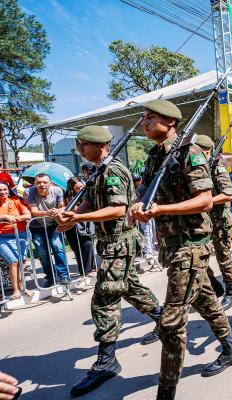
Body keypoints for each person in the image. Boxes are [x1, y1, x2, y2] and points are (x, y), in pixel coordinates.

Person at [130, 99, 232, 400]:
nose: (144, 122)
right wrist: (137, 204)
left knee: (170, 322)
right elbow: (144, 191)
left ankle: (166, 390)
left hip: (191, 245)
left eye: (150, 117)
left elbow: (205, 199)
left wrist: (159, 209)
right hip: (173, 245)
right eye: (144, 117)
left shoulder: (188, 153)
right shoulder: (154, 156)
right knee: (206, 301)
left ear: (170, 122)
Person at [56, 126, 162, 398]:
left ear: (99, 145)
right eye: (79, 145)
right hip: (111, 242)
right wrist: (70, 216)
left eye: (83, 145)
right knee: (128, 287)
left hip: (120, 241)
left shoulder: (113, 170)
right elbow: (90, 204)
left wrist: (78, 219)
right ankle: (164, 318)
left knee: (104, 299)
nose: (79, 149)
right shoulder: (96, 171)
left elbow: (117, 209)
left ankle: (107, 361)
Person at [196, 134, 232, 311]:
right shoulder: (198, 168)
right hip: (203, 220)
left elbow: (228, 194)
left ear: (205, 152)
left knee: (223, 256)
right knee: (198, 255)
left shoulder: (217, 168)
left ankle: (231, 290)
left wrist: (207, 201)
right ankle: (214, 284)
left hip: (220, 218)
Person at [24, 173, 70, 287]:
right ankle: (50, 277)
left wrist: (58, 211)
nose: (42, 185)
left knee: (57, 247)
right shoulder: (30, 192)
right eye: (38, 182)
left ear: (50, 183)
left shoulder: (58, 190)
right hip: (37, 226)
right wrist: (47, 213)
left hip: (54, 224)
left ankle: (64, 275)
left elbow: (62, 206)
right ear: (34, 184)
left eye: (45, 182)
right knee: (42, 252)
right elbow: (33, 211)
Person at [0, 181, 31, 300]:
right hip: (3, 237)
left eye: (4, 189)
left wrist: (15, 218)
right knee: (13, 261)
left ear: (8, 190)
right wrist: (3, 218)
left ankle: (23, 287)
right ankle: (16, 290)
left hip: (20, 235)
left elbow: (28, 216)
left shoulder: (16, 201)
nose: (2, 192)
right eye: (0, 190)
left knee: (22, 262)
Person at [63, 177, 96, 276]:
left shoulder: (87, 194)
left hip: (86, 224)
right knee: (78, 249)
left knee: (89, 245)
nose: (81, 189)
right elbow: (73, 210)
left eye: (82, 187)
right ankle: (84, 272)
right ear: (72, 189)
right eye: (78, 188)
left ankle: (91, 268)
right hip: (74, 226)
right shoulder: (69, 197)